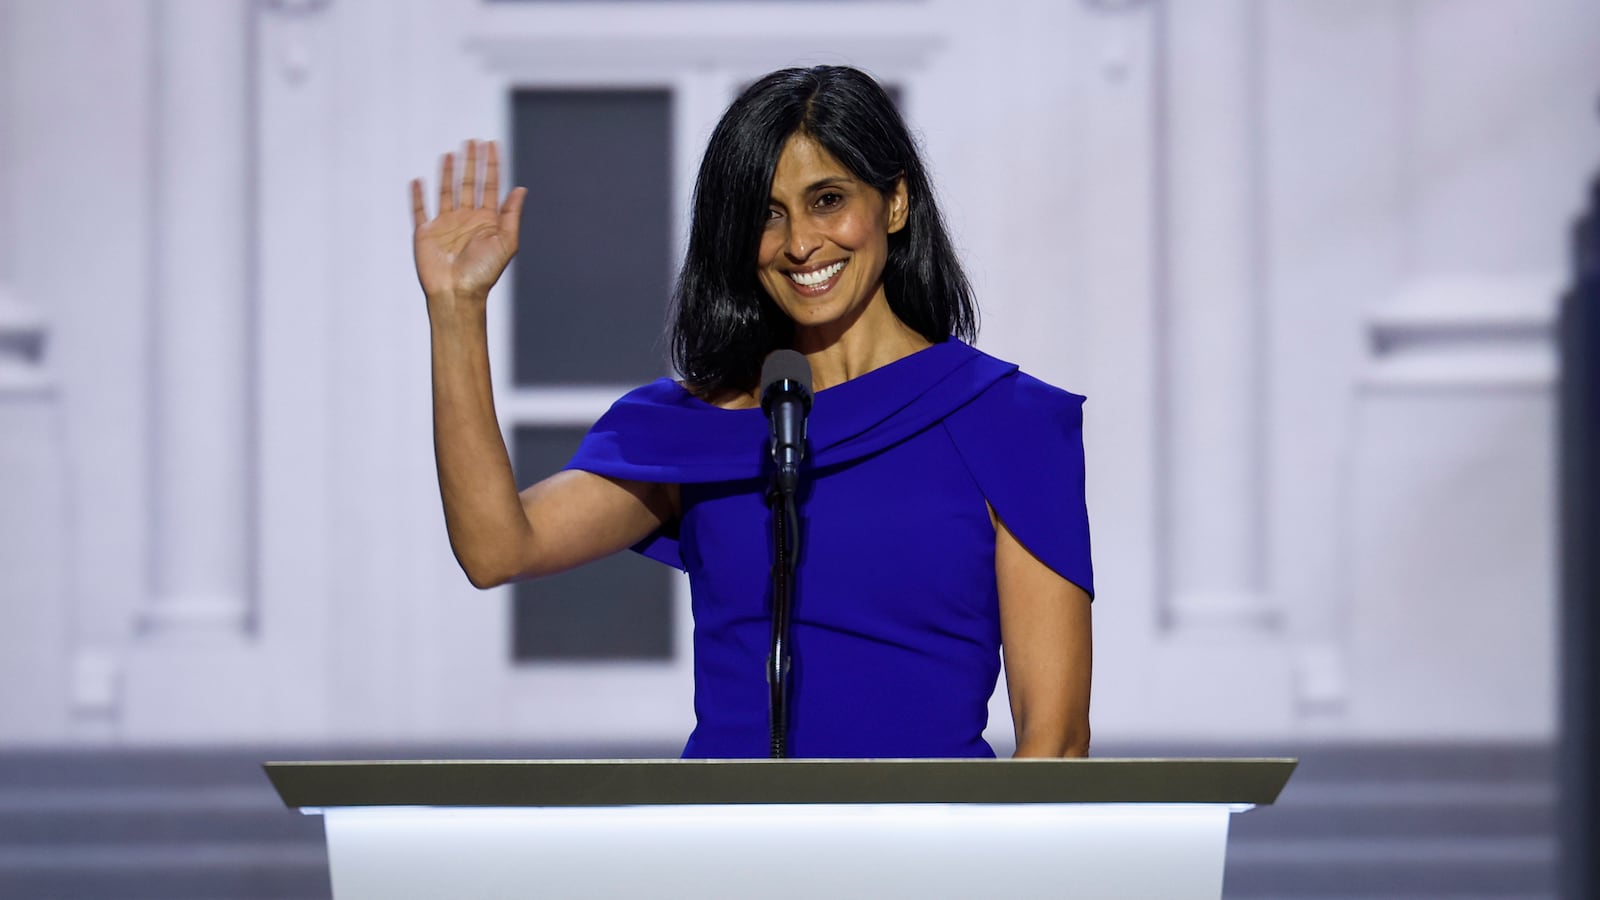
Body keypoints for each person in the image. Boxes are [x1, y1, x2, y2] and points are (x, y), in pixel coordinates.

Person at [411, 66, 1093, 759]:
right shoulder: (695, 427)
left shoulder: (1008, 420)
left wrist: (973, 866)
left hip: (936, 855)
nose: (800, 243)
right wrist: (457, 311)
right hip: (720, 853)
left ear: (894, 203)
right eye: (767, 215)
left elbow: (1056, 741)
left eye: (827, 200)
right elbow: (498, 548)